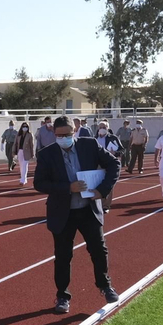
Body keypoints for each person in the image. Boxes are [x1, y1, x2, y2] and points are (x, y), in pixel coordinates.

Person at [34, 115, 120, 313]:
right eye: (59, 135)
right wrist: (68, 187)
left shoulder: (89, 145)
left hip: (88, 209)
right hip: (63, 212)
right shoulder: (47, 154)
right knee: (63, 256)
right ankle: (62, 296)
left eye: (67, 134)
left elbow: (114, 164)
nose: (64, 138)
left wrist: (103, 190)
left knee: (99, 249)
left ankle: (105, 286)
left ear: (75, 131)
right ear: (54, 134)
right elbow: (39, 183)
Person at [16, 114, 35, 185]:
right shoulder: (19, 135)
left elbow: (31, 145)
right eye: (23, 126)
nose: (25, 128)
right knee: (21, 166)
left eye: (26, 126)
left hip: (27, 152)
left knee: (24, 165)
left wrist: (32, 153)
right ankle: (23, 178)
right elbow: (16, 144)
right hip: (20, 151)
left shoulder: (30, 135)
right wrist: (14, 151)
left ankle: (23, 180)